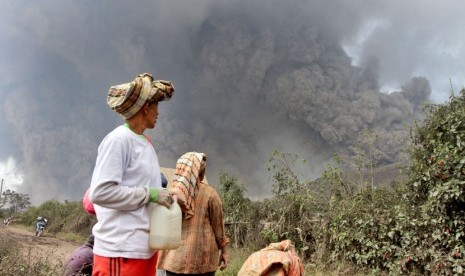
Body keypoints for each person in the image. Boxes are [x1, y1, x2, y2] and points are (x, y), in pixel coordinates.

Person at [88, 73, 175, 275]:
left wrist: (163, 198)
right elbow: (101, 193)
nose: (158, 112)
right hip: (120, 253)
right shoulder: (118, 140)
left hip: (142, 251)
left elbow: (143, 191)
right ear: (146, 108)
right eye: (156, 105)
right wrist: (151, 194)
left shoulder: (145, 145)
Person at [157, 152, 229, 275]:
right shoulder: (209, 194)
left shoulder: (169, 194)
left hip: (174, 261)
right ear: (200, 171)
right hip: (202, 261)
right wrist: (224, 251)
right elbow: (218, 227)